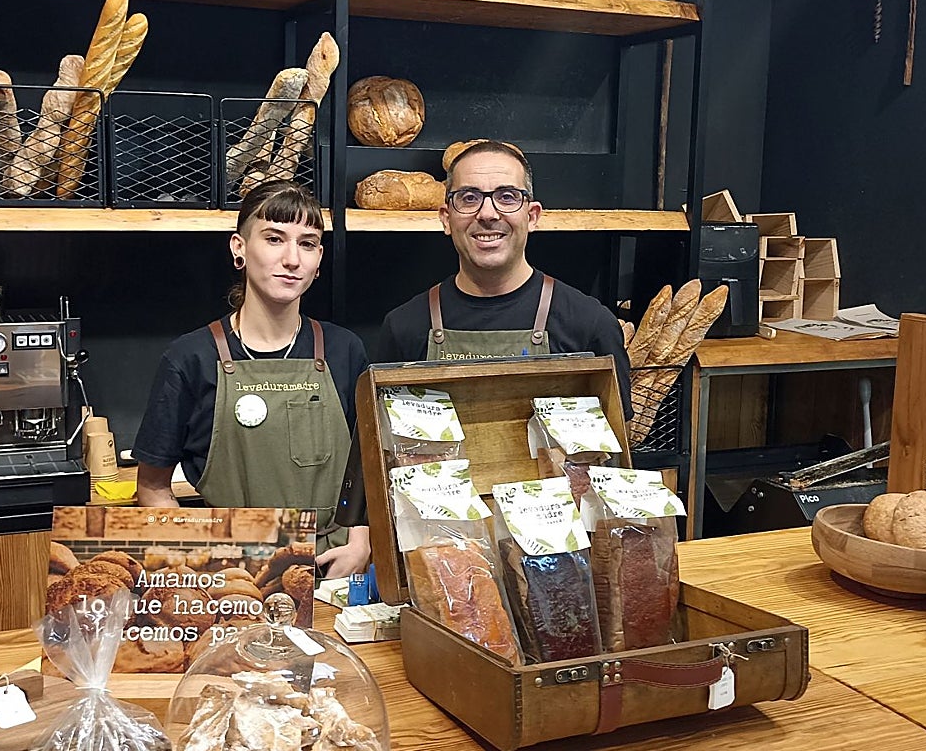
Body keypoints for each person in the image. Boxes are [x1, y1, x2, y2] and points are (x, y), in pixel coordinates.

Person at [134, 180, 371, 577]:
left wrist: (360, 542)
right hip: (234, 577)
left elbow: (365, 468)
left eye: (307, 243)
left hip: (334, 571)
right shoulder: (191, 358)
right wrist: (197, 563)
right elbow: (153, 488)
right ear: (239, 249)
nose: (292, 259)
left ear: (319, 259)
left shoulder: (344, 350)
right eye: (274, 238)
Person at [376, 140, 633, 415]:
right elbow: (384, 445)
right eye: (469, 198)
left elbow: (614, 447)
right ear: (446, 219)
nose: (487, 213)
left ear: (532, 216)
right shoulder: (403, 327)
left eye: (507, 197)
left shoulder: (589, 325)